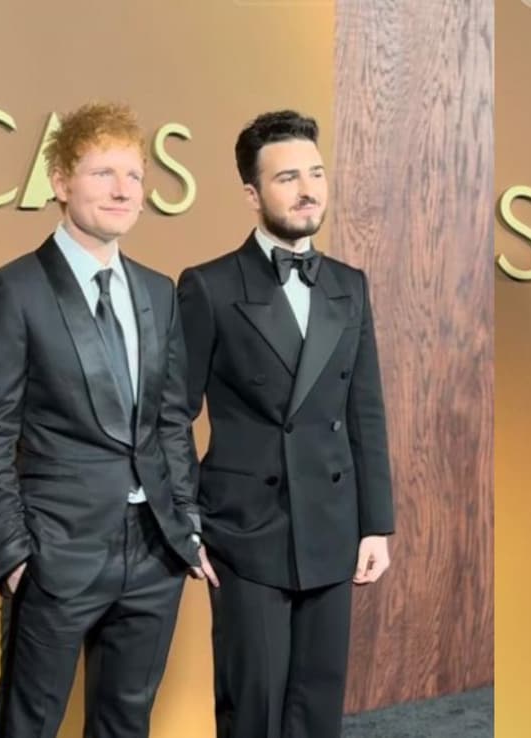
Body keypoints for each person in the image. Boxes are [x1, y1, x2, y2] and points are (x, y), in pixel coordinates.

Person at [0, 101, 214, 738]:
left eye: (133, 175)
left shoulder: (158, 290)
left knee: (126, 723)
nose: (123, 189)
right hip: (55, 549)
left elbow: (170, 419)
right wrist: (11, 551)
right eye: (103, 173)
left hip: (154, 551)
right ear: (61, 181)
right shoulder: (12, 289)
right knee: (29, 724)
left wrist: (185, 522)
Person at [178, 109, 395, 738]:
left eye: (317, 174)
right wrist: (185, 519)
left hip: (333, 524)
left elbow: (366, 409)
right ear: (252, 193)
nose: (308, 190)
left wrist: (376, 523)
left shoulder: (349, 287)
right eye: (288, 177)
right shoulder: (210, 287)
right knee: (253, 708)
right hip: (245, 530)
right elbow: (171, 413)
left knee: (317, 708)